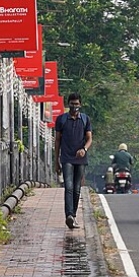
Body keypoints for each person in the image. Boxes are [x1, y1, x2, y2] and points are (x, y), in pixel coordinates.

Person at [53, 93, 92, 230]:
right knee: (68, 186)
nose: (74, 106)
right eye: (72, 103)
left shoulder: (85, 119)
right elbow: (57, 140)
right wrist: (56, 160)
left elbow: (89, 139)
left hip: (81, 158)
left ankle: (73, 216)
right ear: (68, 104)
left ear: (80, 105)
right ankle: (69, 215)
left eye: (76, 104)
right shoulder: (61, 120)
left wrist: (84, 149)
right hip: (66, 158)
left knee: (77, 189)